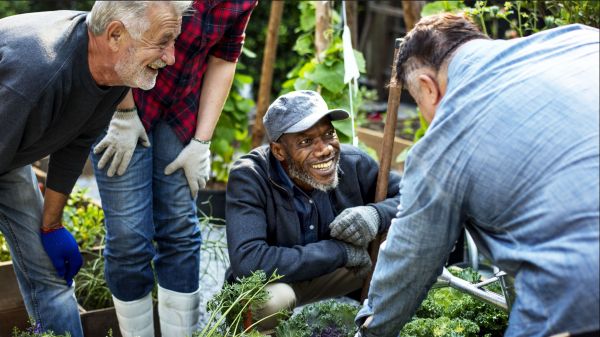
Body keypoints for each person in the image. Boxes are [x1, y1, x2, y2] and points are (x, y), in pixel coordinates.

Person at [356, 13, 599, 337]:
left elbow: (409, 261)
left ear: (427, 88)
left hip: (579, 296)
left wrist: (370, 331)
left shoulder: (444, 142)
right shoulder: (578, 40)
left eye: (419, 103)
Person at [0, 1, 190, 336]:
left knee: (49, 275)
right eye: (162, 41)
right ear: (115, 34)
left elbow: (75, 141)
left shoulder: (114, 71)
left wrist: (51, 226)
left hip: (9, 152)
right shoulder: (39, 73)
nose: (171, 57)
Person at [90, 1, 257, 336]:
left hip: (180, 110)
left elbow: (225, 58)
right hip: (123, 94)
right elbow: (113, 28)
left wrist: (202, 142)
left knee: (180, 231)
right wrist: (122, 113)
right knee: (128, 239)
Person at [225, 90, 402, 330]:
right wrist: (338, 252)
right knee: (267, 303)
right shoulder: (250, 177)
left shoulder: (353, 163)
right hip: (276, 282)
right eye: (306, 142)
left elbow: (413, 195)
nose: (325, 149)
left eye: (329, 134)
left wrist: (376, 215)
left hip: (337, 274)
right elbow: (248, 261)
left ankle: (380, 327)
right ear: (279, 151)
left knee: (402, 243)